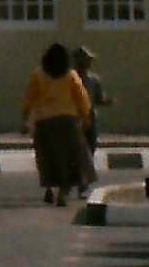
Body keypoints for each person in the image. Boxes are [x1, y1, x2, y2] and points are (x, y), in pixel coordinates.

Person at [22, 41, 95, 206]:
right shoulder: (71, 75)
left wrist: (25, 119)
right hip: (68, 122)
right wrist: (86, 119)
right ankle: (63, 193)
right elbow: (82, 99)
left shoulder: (38, 75)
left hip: (44, 123)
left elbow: (29, 99)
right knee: (71, 160)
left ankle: (49, 189)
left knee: (48, 158)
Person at [74, 44, 111, 160]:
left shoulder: (94, 80)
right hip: (73, 118)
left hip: (89, 118)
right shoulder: (68, 79)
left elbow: (98, 99)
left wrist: (107, 101)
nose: (88, 63)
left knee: (90, 149)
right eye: (86, 61)